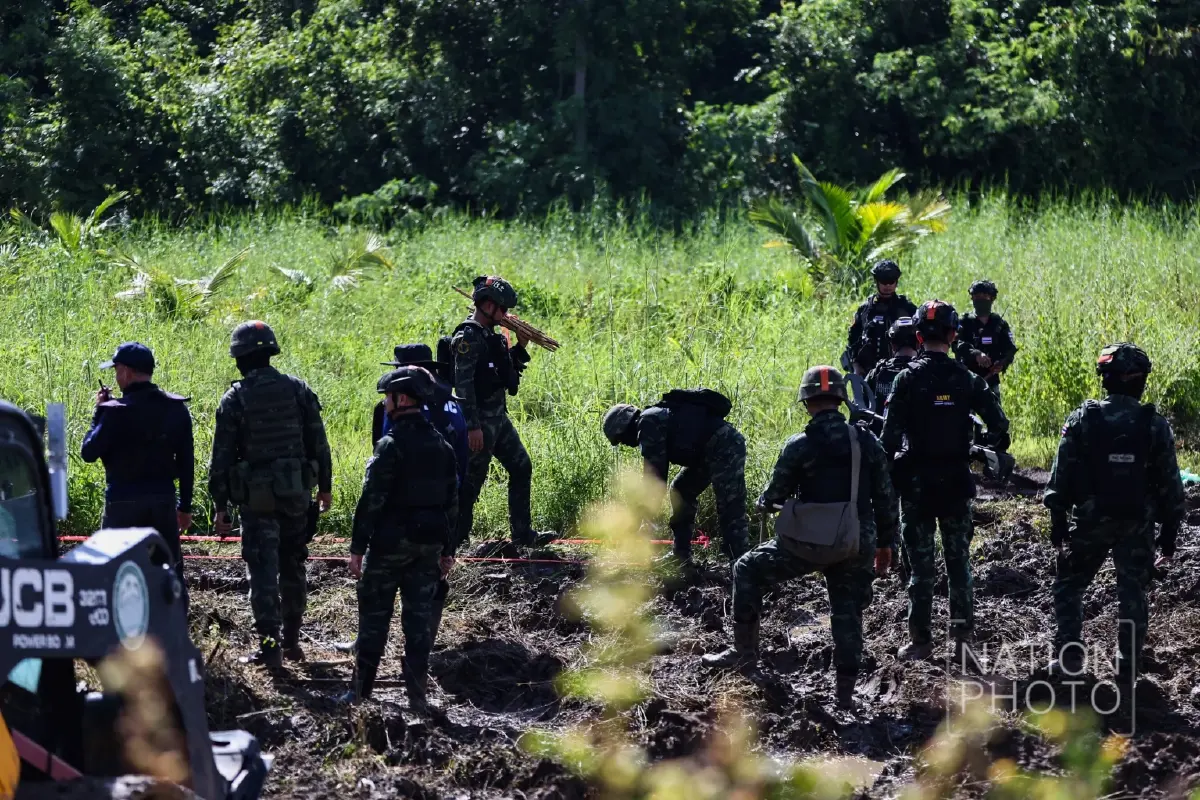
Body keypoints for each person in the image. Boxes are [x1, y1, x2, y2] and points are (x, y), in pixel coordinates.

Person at [701, 367, 898, 708]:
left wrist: (766, 502)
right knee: (847, 611)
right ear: (841, 399)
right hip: (856, 540)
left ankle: (744, 654)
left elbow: (775, 496)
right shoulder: (867, 442)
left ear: (806, 402)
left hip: (808, 543)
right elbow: (885, 497)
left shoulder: (799, 445)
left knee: (746, 568)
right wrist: (886, 544)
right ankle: (845, 694)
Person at [1044, 343, 1184, 679]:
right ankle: (1128, 665)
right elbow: (1170, 483)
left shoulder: (1083, 418)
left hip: (1090, 520)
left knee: (1069, 586)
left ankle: (1069, 658)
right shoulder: (1154, 424)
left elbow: (1061, 474)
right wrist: (1170, 530)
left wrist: (1058, 518)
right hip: (1137, 522)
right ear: (1138, 379)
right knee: (1132, 593)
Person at [880, 300, 1009, 661]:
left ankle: (920, 642)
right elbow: (1000, 424)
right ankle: (963, 644)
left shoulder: (906, 379)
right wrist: (977, 445)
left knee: (920, 570)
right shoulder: (967, 379)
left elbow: (888, 441)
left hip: (917, 486)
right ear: (953, 336)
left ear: (918, 336)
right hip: (956, 482)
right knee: (959, 565)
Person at [208, 321, 333, 667]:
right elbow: (319, 442)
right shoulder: (297, 389)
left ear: (240, 359)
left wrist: (220, 505)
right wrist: (325, 487)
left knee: (263, 573)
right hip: (296, 496)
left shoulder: (235, 399)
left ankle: (270, 648)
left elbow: (221, 458)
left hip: (257, 501)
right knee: (293, 565)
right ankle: (291, 643)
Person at [342, 366, 458, 710]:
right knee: (419, 624)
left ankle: (360, 693)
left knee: (374, 619)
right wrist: (448, 550)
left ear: (402, 399)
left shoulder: (390, 446)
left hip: (389, 546)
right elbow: (453, 503)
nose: (386, 404)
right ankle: (417, 698)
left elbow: (371, 501)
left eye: (388, 398)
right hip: (428, 546)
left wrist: (357, 548)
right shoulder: (442, 446)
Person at [81, 342, 193, 607]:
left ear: (127, 372)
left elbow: (88, 452)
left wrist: (99, 411)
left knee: (115, 571)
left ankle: (120, 624)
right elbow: (187, 461)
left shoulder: (114, 412)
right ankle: (176, 623)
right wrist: (185, 506)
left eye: (116, 370)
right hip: (162, 501)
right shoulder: (175, 407)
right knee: (169, 571)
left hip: (122, 503)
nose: (116, 377)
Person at [450, 276, 554, 549]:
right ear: (487, 305)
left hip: (498, 419)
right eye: (502, 309)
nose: (506, 315)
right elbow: (463, 386)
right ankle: (455, 541)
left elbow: (506, 374)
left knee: (521, 466)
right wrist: (472, 426)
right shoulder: (468, 337)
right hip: (480, 423)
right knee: (472, 482)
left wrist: (520, 346)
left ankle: (522, 533)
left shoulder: (492, 336)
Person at [602, 389, 749, 568]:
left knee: (729, 504)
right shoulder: (650, 420)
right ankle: (681, 555)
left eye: (621, 439)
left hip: (725, 447)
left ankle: (741, 564)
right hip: (708, 452)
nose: (625, 444)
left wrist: (641, 521)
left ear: (624, 427)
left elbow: (654, 480)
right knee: (681, 490)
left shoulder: (648, 423)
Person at [845, 260, 917, 376]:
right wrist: (855, 365)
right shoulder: (865, 309)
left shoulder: (907, 308)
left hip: (901, 370)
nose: (888, 286)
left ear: (896, 282)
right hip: (868, 371)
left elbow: (920, 336)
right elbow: (853, 339)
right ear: (876, 281)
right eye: (884, 282)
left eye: (891, 281)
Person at [952, 280, 1018, 399]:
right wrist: (976, 354)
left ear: (992, 298)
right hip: (967, 380)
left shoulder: (999, 324)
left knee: (995, 410)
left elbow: (1010, 348)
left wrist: (1001, 363)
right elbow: (956, 344)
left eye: (984, 296)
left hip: (991, 382)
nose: (980, 299)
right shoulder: (964, 321)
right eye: (977, 296)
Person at [864, 317, 920, 421]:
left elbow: (861, 407)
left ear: (892, 345)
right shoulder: (925, 371)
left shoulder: (877, 372)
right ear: (918, 344)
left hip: (879, 430)